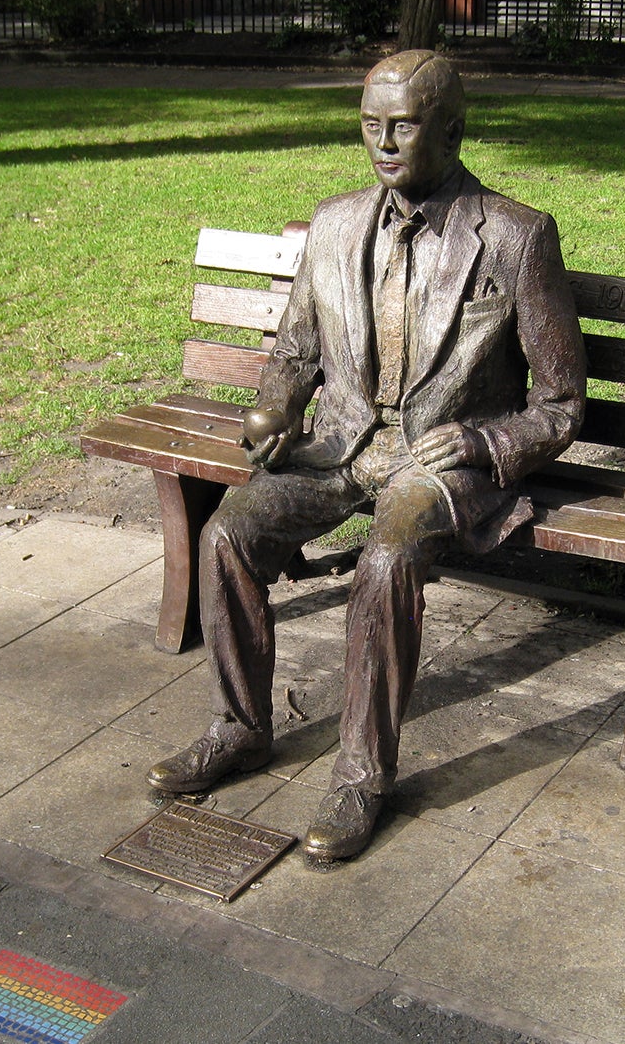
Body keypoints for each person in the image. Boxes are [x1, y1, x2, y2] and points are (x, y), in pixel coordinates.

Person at [148, 49, 586, 861]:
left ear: (452, 130)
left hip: (438, 459)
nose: (383, 143)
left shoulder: (518, 238)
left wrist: (487, 439)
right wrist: (277, 403)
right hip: (342, 445)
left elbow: (561, 405)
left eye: (404, 126)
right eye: (369, 124)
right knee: (228, 534)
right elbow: (295, 352)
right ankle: (240, 726)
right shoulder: (336, 223)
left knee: (386, 563)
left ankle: (361, 776)